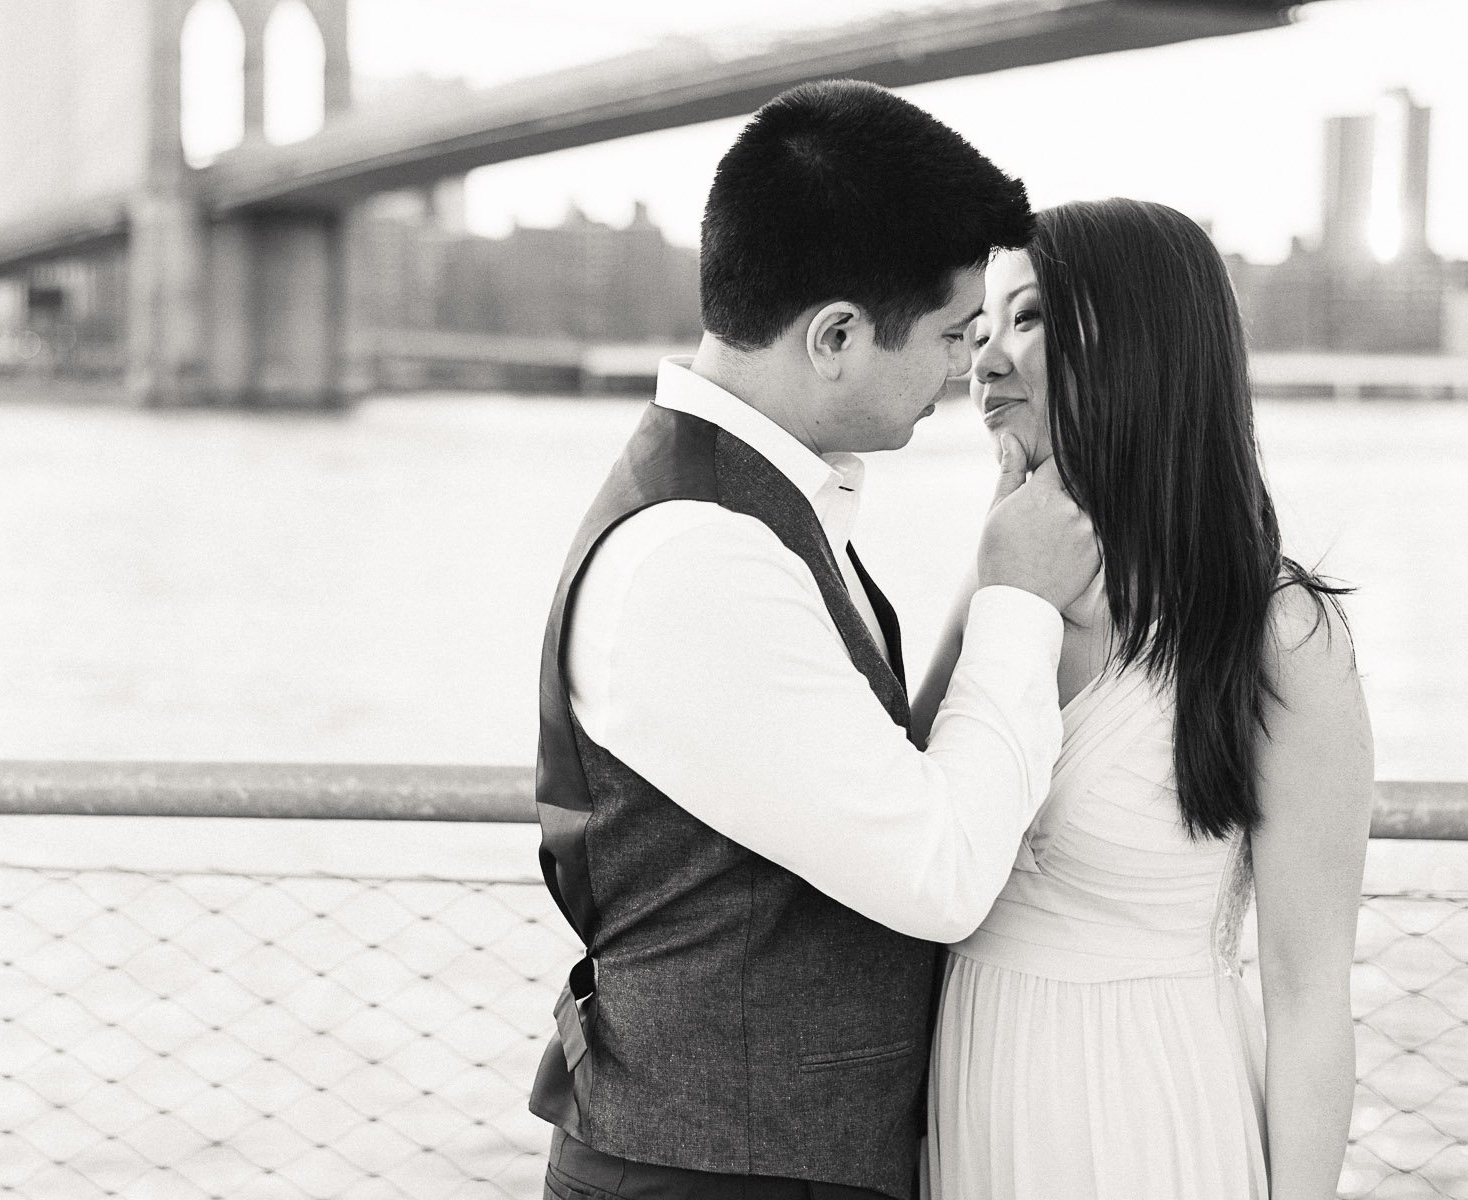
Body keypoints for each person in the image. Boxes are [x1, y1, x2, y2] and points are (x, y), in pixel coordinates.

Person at [530, 80, 1100, 1200]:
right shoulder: (696, 554)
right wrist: (1020, 600)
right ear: (836, 334)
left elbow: (885, 776)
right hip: (711, 1175)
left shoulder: (759, 509)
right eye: (950, 333)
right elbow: (939, 873)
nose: (964, 370)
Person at [917, 199, 1374, 1199]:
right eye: (982, 326)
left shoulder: (1277, 635)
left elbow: (1306, 996)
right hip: (970, 1115)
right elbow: (913, 837)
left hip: (1151, 1121)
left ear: (1142, 344)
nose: (983, 360)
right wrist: (994, 578)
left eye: (1028, 319)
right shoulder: (1005, 595)